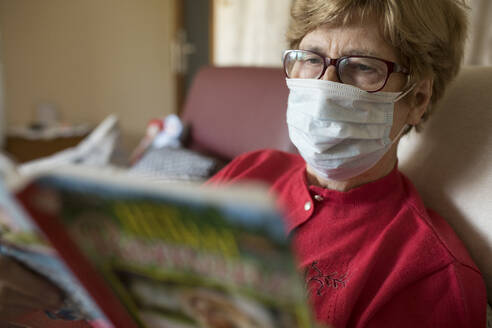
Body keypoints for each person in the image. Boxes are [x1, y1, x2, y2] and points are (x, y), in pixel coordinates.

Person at [208, 0, 487, 327]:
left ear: (417, 98)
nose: (325, 86)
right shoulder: (250, 170)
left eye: (362, 66)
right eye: (311, 58)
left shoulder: (429, 275)